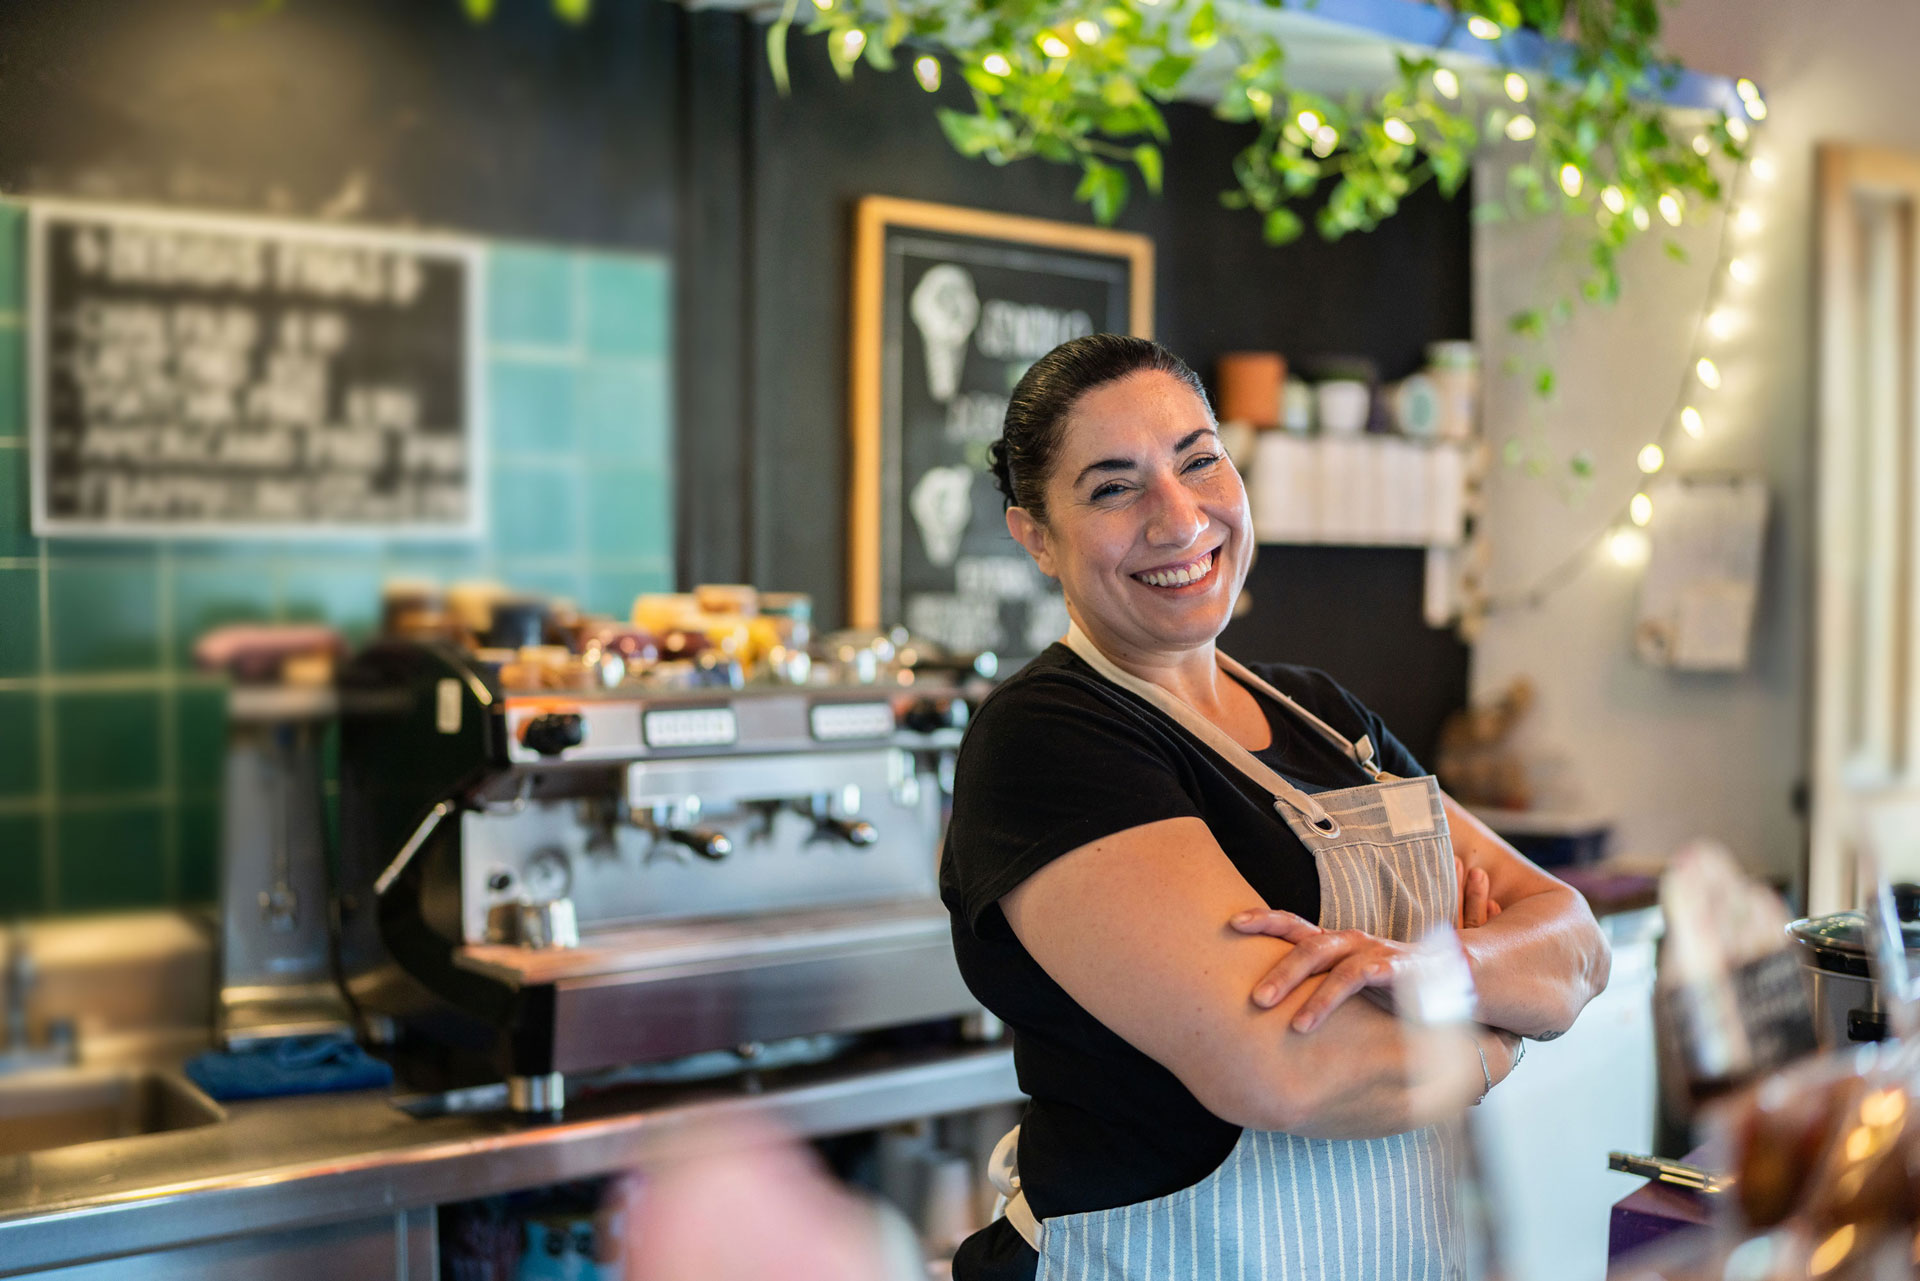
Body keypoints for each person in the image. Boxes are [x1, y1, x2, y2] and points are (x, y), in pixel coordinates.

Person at [939, 334, 1611, 1281]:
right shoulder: (1050, 737)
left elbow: (1577, 942)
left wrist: (1428, 968)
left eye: (1199, 459)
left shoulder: (1325, 715)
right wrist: (1504, 1026)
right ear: (1036, 536)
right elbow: (1289, 1071)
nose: (1179, 518)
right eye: (1112, 487)